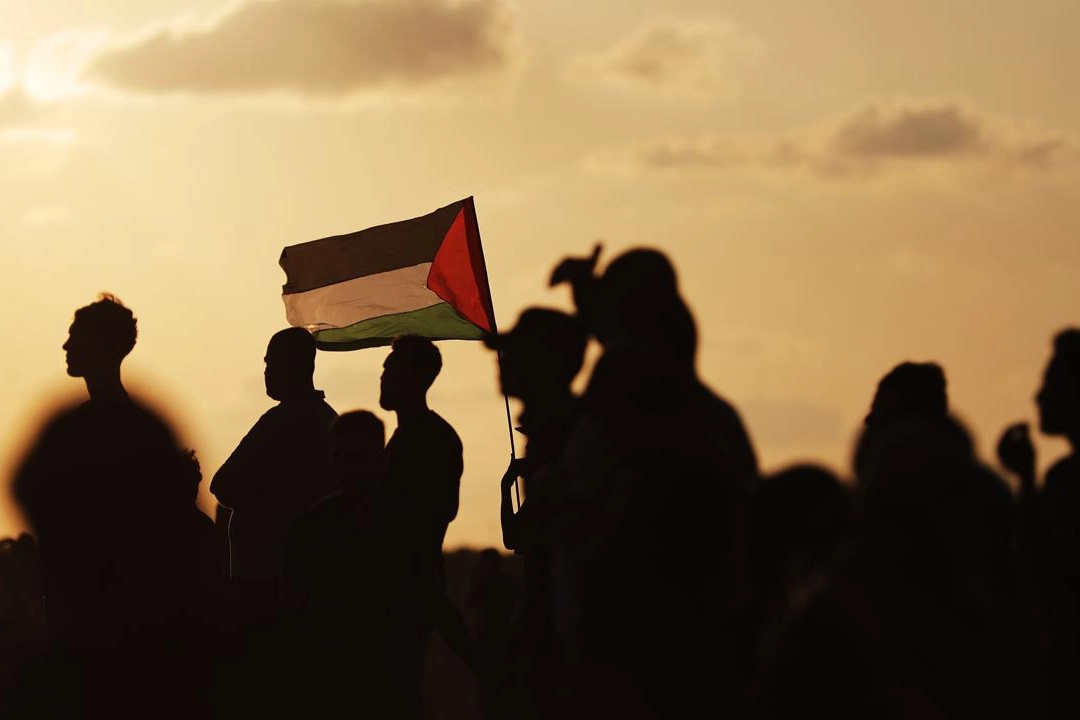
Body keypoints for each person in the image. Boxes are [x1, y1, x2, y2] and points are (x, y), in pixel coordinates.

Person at [210, 327, 337, 624]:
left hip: (265, 580)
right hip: (305, 578)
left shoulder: (282, 419)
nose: (266, 372)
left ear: (290, 365)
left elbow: (222, 485)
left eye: (270, 363)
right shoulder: (328, 419)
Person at [998, 328, 1080, 719]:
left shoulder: (1068, 481)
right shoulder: (1063, 478)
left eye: (1052, 382)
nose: (1039, 396)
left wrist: (1026, 483)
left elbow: (1043, 566)